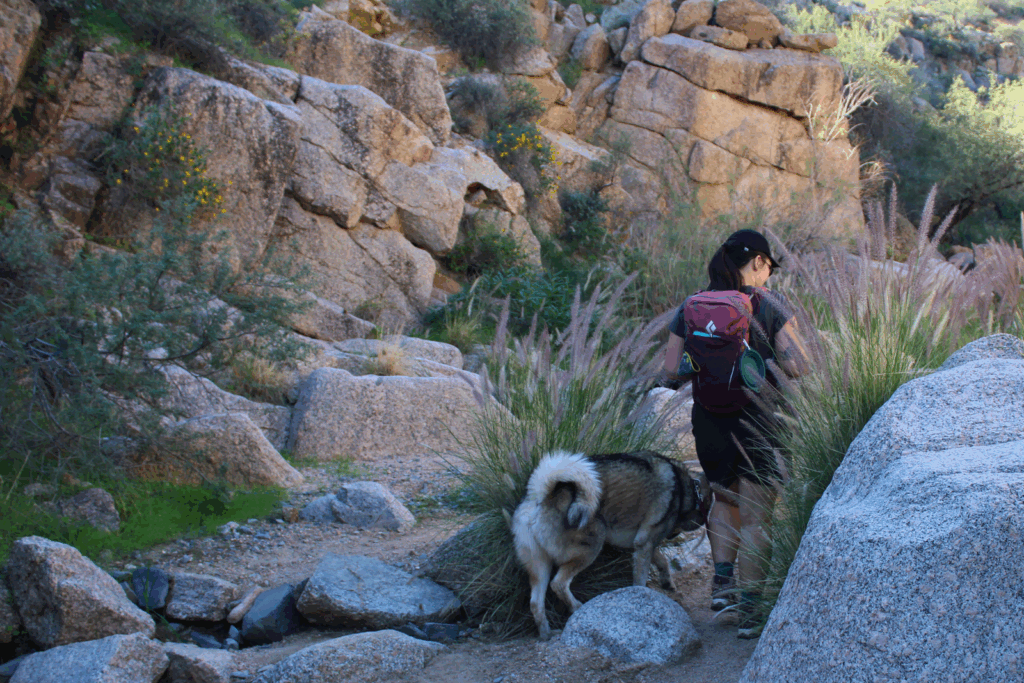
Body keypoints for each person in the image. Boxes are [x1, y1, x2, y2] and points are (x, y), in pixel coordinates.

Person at [661, 229, 809, 639]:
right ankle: (750, 610)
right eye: (768, 268)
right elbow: (798, 366)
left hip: (709, 420)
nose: (769, 277)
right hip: (761, 422)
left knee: (724, 500)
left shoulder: (692, 305)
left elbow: (672, 370)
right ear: (759, 262)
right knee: (758, 519)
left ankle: (723, 586)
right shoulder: (770, 303)